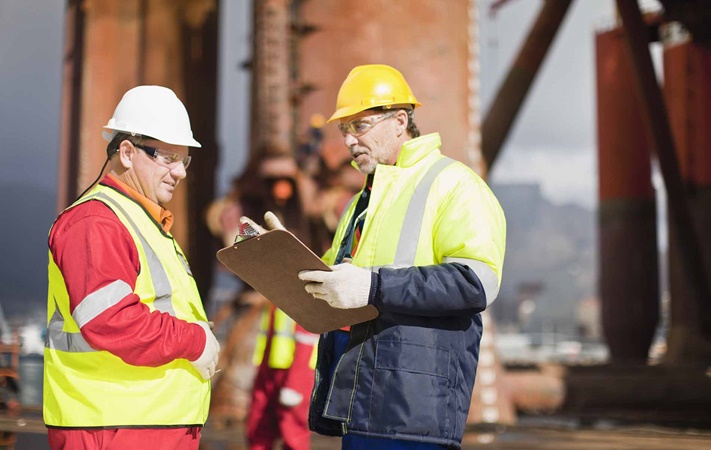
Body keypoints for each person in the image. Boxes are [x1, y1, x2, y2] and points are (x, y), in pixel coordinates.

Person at [243, 64, 506, 449]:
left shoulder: (454, 185)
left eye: (360, 126)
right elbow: (330, 290)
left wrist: (373, 285)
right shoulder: (359, 204)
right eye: (344, 130)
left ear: (400, 121)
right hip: (360, 403)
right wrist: (280, 258)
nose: (349, 142)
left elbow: (475, 283)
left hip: (414, 410)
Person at [44, 85, 220, 450]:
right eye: (168, 157)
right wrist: (195, 339)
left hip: (142, 423)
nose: (180, 172)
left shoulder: (138, 221)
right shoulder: (96, 222)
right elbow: (110, 320)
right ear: (126, 152)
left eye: (184, 160)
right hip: (115, 427)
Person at [246, 300, 318, 450]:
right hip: (269, 371)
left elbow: (306, 341)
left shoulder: (303, 300)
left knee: (292, 433)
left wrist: (295, 383)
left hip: (294, 374)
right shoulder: (274, 298)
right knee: (258, 426)